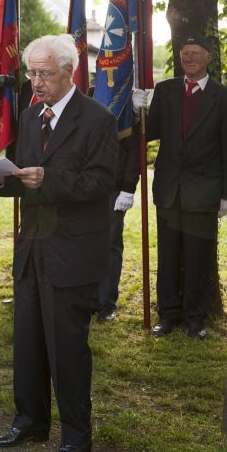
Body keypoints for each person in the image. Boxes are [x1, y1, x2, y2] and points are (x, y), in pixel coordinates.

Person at [0, 34, 118, 452]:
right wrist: (0, 178)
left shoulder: (97, 119)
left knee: (67, 346)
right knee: (28, 340)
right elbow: (23, 175)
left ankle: (77, 435)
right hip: (32, 244)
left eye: (44, 74)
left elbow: (102, 183)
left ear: (68, 72)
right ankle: (30, 420)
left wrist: (49, 180)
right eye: (31, 73)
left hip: (72, 249)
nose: (35, 82)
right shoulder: (29, 116)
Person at [133, 32, 227, 339]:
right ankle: (167, 315)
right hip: (169, 189)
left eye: (195, 53)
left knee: (197, 258)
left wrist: (226, 195)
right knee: (167, 256)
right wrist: (137, 109)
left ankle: (196, 318)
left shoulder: (226, 99)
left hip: (203, 191)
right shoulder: (165, 91)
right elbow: (150, 132)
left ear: (208, 58)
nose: (189, 58)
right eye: (184, 53)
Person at [91, 125, 140, 322]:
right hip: (84, 183)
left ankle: (106, 302)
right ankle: (88, 298)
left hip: (114, 187)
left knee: (110, 244)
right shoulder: (81, 107)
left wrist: (128, 188)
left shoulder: (124, 109)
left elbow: (135, 150)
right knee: (85, 242)